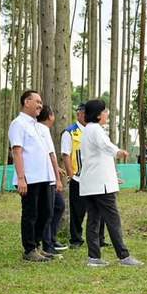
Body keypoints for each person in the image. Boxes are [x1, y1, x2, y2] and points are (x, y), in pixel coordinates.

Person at [78, 99, 143, 267]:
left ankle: (94, 257)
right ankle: (124, 256)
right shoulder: (96, 130)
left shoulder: (88, 130)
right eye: (105, 111)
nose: (107, 114)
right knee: (113, 220)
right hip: (101, 186)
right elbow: (106, 146)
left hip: (91, 183)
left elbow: (100, 157)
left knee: (93, 220)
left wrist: (114, 176)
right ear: (99, 114)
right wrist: (118, 151)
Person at [8, 90, 55, 262]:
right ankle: (29, 249)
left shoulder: (36, 126)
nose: (40, 105)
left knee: (46, 212)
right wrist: (21, 178)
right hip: (29, 178)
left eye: (41, 102)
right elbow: (17, 151)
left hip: (43, 177)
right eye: (37, 101)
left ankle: (36, 244)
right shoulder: (18, 124)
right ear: (26, 102)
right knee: (31, 213)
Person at [61, 103, 106, 248]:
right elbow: (66, 154)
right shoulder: (70, 132)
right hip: (78, 177)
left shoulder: (94, 130)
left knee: (99, 209)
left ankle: (100, 238)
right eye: (84, 113)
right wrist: (70, 175)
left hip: (95, 176)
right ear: (78, 114)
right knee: (77, 211)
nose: (87, 116)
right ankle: (76, 239)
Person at [37, 105, 68, 254]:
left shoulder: (41, 130)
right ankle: (47, 244)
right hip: (47, 179)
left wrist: (56, 169)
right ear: (50, 116)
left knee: (57, 206)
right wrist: (57, 179)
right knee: (49, 210)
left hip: (48, 174)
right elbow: (51, 155)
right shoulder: (42, 129)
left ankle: (51, 239)